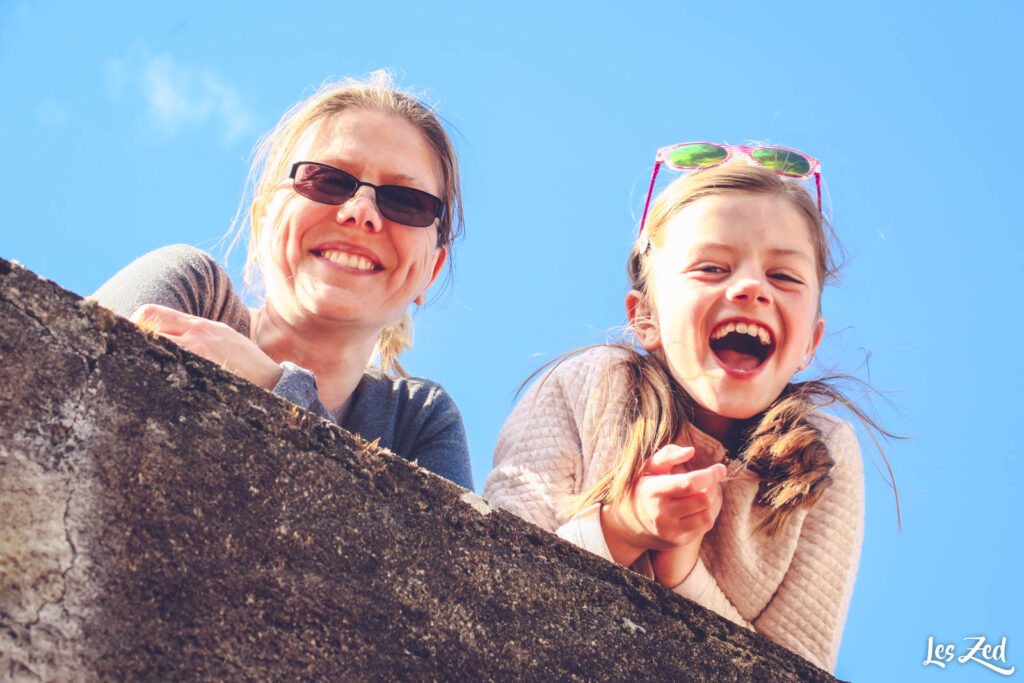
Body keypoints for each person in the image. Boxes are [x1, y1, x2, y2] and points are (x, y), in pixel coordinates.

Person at [484, 143, 887, 671]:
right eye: (712, 268)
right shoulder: (587, 384)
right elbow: (494, 580)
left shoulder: (826, 454)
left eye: (784, 276)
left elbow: (798, 668)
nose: (750, 288)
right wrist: (624, 527)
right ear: (644, 315)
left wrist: (682, 572)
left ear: (811, 341)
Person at [93, 72, 472, 489]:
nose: (360, 211)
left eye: (406, 201)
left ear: (431, 272)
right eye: (327, 180)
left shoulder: (419, 418)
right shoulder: (192, 290)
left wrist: (275, 389)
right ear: (262, 223)